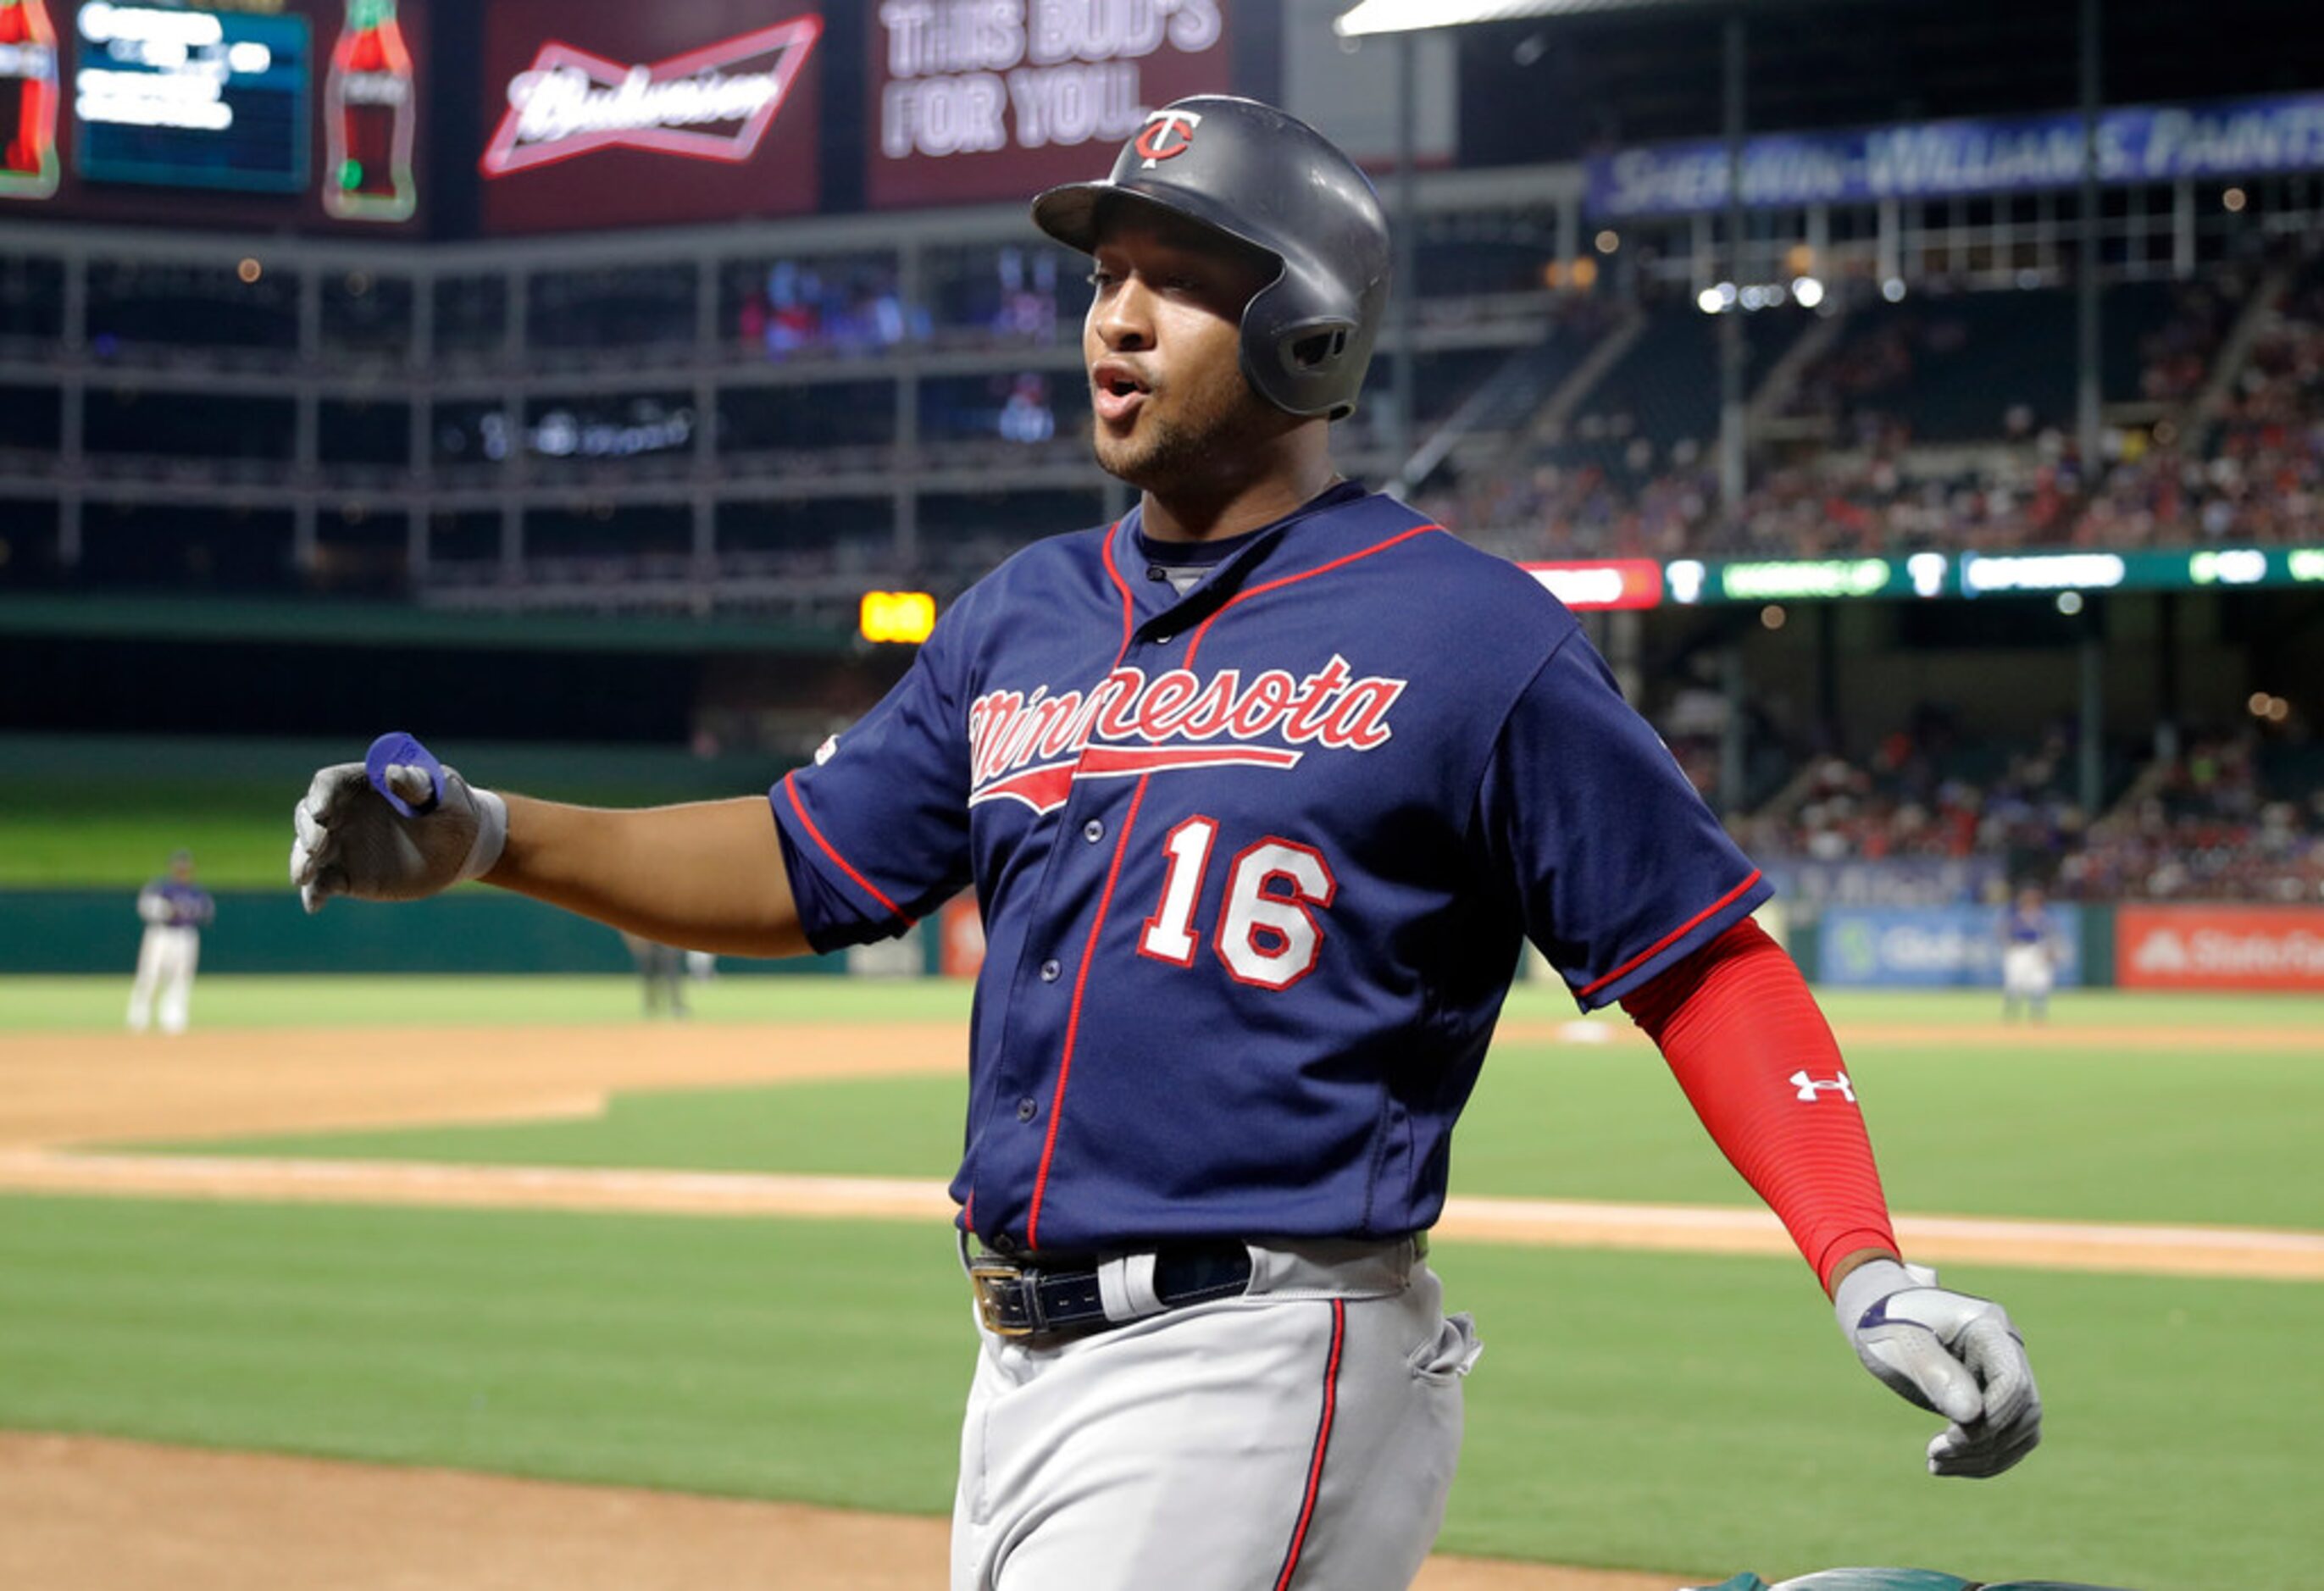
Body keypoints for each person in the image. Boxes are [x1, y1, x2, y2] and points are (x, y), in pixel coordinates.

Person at [289, 98, 2042, 1591]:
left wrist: (1866, 1263)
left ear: (1305, 330)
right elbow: (803, 862)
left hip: (1263, 1349)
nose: (1113, 320)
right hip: (1015, 1362)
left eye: (1177, 284)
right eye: (1105, 278)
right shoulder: (1021, 618)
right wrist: (498, 839)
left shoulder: (1467, 635)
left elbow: (1698, 961)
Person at [127, 848, 214, 1035]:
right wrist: (163, 911)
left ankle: (174, 1020)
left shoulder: (196, 892)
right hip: (161, 934)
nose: (182, 869)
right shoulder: (162, 888)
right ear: (173, 867)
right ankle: (138, 1018)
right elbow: (146, 907)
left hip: (186, 936)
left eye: (185, 866)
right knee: (150, 975)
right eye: (179, 865)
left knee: (181, 979)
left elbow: (207, 912)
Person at [1999, 884, 2062, 1023]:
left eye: (2034, 897)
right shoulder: (2014, 915)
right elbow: (2002, 931)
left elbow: (2052, 935)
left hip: (2038, 950)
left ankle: (2038, 1014)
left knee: (2040, 982)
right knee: (2015, 982)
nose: (2030, 900)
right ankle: (2011, 1014)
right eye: (2028, 897)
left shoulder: (2044, 916)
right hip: (2019, 951)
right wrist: (2008, 945)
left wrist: (2051, 951)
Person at [618, 929, 690, 1018]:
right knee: (649, 975)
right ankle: (651, 1004)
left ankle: (676, 1005)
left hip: (667, 939)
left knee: (672, 972)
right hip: (647, 941)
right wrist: (635, 943)